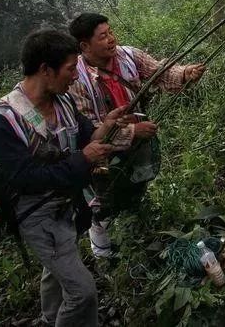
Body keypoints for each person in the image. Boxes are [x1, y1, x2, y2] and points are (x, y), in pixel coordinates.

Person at [0, 30, 130, 326]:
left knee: (57, 267)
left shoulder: (62, 102)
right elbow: (24, 179)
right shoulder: (3, 121)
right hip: (37, 214)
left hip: (67, 205)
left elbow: (86, 134)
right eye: (70, 69)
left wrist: (107, 127)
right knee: (83, 292)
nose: (76, 76)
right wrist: (82, 160)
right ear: (45, 70)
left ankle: (50, 317)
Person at [67, 13, 206, 258]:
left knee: (136, 185)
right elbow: (88, 129)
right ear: (84, 46)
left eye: (110, 32)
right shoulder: (76, 78)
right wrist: (132, 131)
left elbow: (159, 72)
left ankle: (134, 231)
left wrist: (185, 73)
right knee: (104, 200)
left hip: (138, 143)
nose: (111, 39)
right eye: (103, 36)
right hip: (103, 153)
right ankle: (103, 249)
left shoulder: (128, 55)